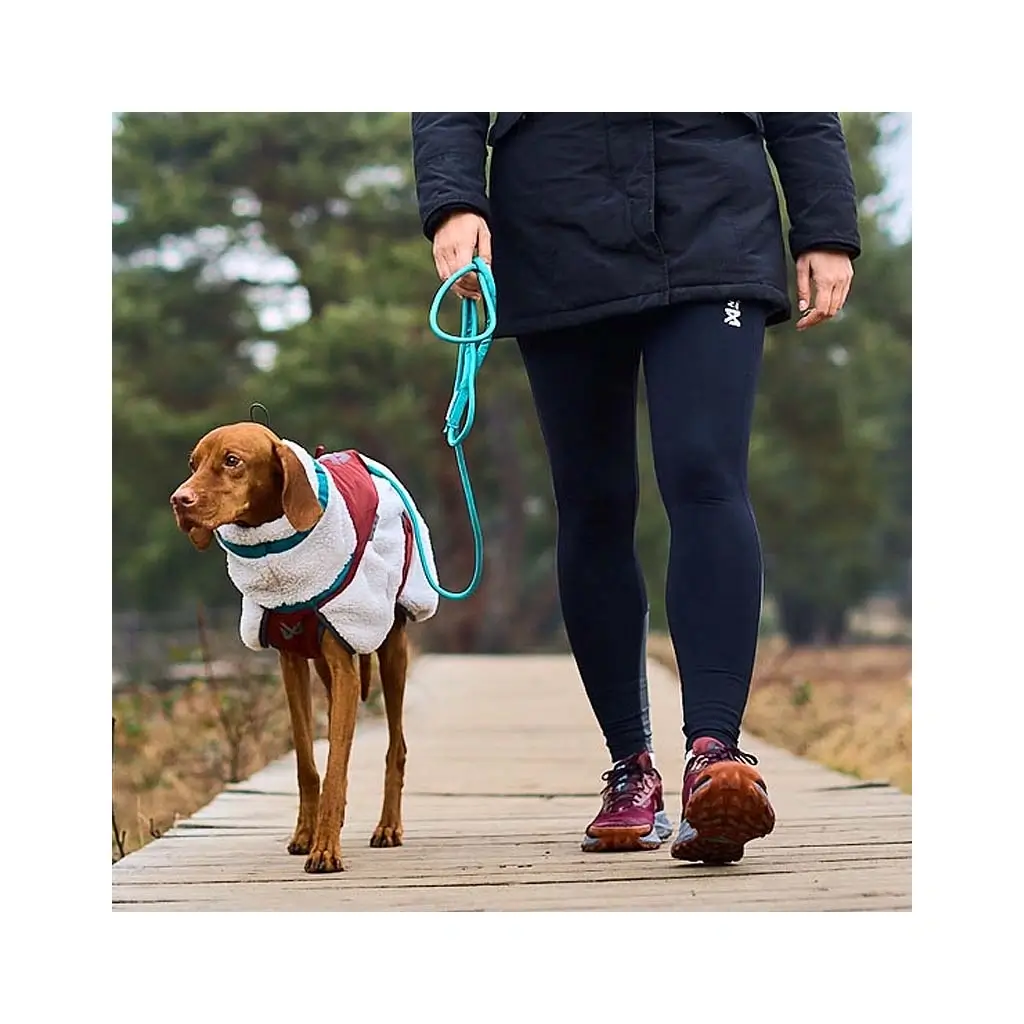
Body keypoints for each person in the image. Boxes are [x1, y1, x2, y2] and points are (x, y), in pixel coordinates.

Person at [410, 113, 859, 864]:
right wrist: (455, 201)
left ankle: (715, 756)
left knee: (707, 475)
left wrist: (826, 223)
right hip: (556, 215)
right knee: (591, 499)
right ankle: (631, 771)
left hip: (710, 206)